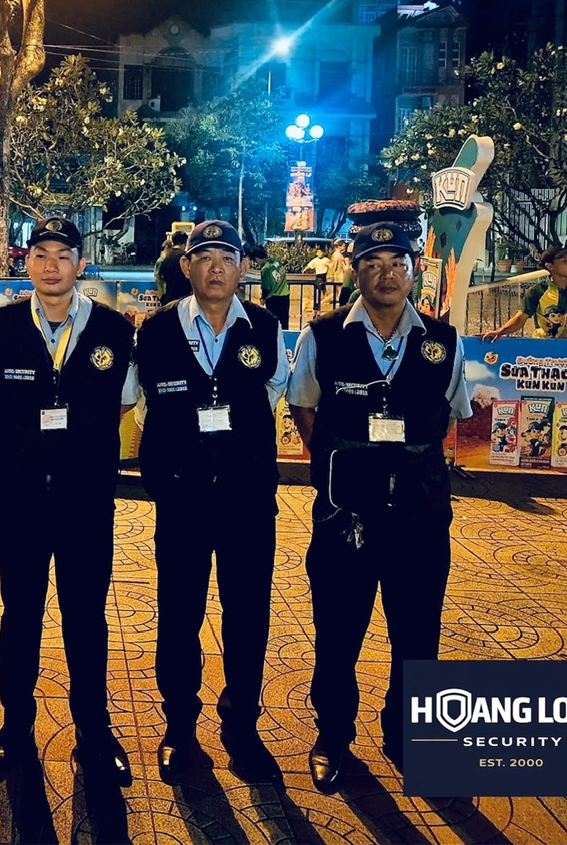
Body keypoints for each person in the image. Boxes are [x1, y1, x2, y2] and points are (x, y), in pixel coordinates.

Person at [287, 222, 472, 792]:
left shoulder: (444, 342)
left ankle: (407, 735)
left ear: (414, 271)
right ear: (355, 271)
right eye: (372, 263)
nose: (386, 274)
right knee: (337, 633)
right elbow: (303, 406)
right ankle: (332, 735)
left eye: (397, 263)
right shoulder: (323, 336)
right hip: (345, 516)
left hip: (420, 517)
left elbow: (451, 415)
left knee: (417, 634)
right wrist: (343, 463)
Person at [0, 216, 139, 786]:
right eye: (41, 254)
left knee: (86, 617)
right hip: (20, 497)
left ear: (80, 264)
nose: (51, 266)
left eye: (63, 255)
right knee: (20, 614)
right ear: (26, 263)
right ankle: (15, 727)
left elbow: (124, 401)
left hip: (85, 499)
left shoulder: (115, 329)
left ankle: (93, 732)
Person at [133, 221, 288, 783]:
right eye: (204, 257)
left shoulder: (264, 328)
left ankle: (241, 724)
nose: (216, 268)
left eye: (227, 257)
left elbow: (273, 393)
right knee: (179, 613)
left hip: (248, 499)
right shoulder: (156, 331)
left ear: (243, 267)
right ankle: (180, 726)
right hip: (183, 499)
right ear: (186, 267)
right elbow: (143, 405)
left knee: (248, 614)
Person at [158, 230, 192, 305]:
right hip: (183, 300)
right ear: (185, 242)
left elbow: (161, 278)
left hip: (168, 299)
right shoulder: (186, 257)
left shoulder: (166, 257)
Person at [259, 250, 291, 329]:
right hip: (285, 295)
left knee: (273, 323)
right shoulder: (276, 261)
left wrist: (263, 298)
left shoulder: (265, 269)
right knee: (284, 322)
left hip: (273, 298)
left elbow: (266, 288)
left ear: (257, 258)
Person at [302, 247, 331, 312]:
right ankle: (320, 299)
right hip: (318, 274)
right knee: (319, 287)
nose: (319, 254)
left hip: (324, 274)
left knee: (323, 287)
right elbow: (310, 265)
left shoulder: (326, 260)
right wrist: (305, 270)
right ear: (316, 253)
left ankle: (326, 299)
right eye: (318, 252)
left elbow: (331, 265)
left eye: (321, 252)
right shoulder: (315, 260)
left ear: (323, 253)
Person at [327, 241, 351, 309]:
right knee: (339, 290)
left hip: (339, 274)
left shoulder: (338, 254)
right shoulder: (337, 255)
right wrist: (331, 274)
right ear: (339, 246)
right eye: (343, 246)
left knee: (339, 291)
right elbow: (334, 265)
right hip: (338, 275)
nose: (344, 247)